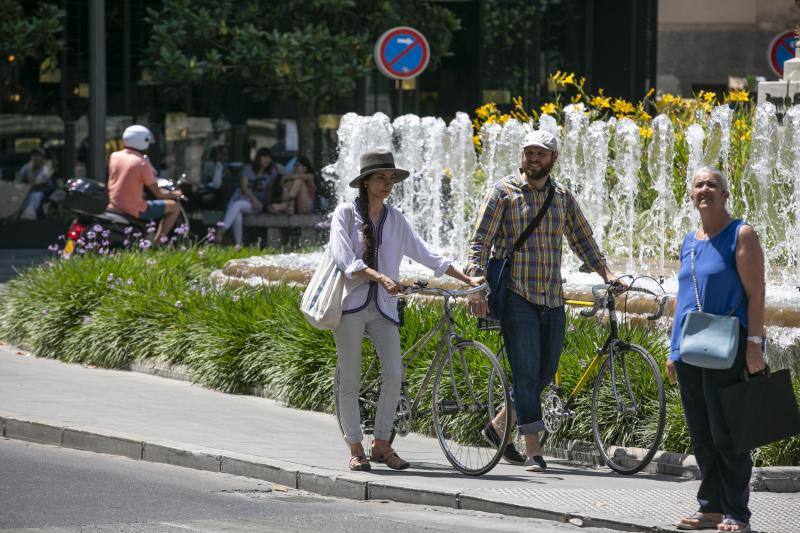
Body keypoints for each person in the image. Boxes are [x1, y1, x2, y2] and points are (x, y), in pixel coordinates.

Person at [465, 130, 619, 472]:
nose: (534, 159)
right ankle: (533, 448)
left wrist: (606, 273)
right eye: (529, 153)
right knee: (525, 371)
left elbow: (583, 238)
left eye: (541, 154)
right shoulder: (503, 192)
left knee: (546, 371)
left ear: (553, 159)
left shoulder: (561, 197)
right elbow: (479, 242)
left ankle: (498, 426)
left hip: (552, 296)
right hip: (517, 295)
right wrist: (476, 280)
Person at [329, 149, 482, 472]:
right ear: (366, 182)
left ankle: (382, 444)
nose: (387, 184)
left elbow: (428, 255)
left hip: (384, 308)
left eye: (390, 179)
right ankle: (356, 447)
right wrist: (380, 276)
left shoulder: (395, 219)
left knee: (395, 376)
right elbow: (345, 260)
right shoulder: (345, 213)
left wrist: (466, 278)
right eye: (380, 178)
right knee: (350, 380)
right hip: (351, 307)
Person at [669, 167, 765, 533]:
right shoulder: (689, 240)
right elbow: (683, 298)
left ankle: (737, 514)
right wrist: (673, 348)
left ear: (725, 194)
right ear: (691, 195)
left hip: (728, 343)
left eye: (712, 184)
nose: (704, 189)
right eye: (698, 185)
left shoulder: (741, 234)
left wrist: (754, 345)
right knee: (701, 432)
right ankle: (709, 508)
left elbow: (756, 294)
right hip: (691, 346)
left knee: (727, 432)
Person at [107, 125, 183, 244]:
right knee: (175, 207)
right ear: (144, 141)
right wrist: (174, 194)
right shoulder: (141, 163)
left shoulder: (115, 156)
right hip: (133, 208)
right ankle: (156, 244)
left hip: (114, 204)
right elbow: (158, 194)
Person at [220, 146, 281, 245]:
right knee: (237, 213)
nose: (267, 160)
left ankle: (222, 230)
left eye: (269, 157)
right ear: (258, 158)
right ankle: (238, 245)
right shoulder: (248, 168)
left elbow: (269, 190)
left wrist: (266, 205)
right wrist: (253, 199)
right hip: (243, 198)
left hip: (257, 204)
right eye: (264, 157)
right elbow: (244, 188)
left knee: (237, 205)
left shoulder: (272, 172)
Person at [17, 148, 53, 219]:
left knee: (34, 196)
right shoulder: (26, 167)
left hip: (43, 191)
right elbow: (17, 180)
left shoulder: (46, 168)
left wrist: (30, 168)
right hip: (28, 191)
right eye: (33, 156)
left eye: (37, 156)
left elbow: (34, 183)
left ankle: (29, 217)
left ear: (42, 158)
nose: (34, 158)